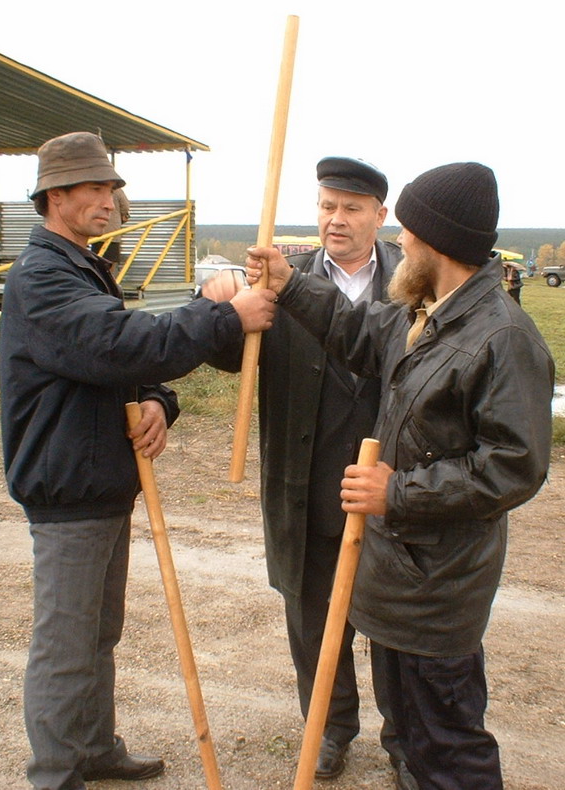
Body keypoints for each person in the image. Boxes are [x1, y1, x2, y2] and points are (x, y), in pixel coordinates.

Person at [244, 161, 554, 789]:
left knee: (446, 744)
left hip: (438, 585)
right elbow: (357, 332)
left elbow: (514, 467)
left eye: (408, 228)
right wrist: (290, 283)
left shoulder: (502, 337)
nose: (401, 240)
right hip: (400, 575)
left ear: (435, 241)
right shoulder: (425, 315)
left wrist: (397, 491)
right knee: (412, 734)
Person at [0, 131, 276, 790]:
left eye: (112, 188)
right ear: (56, 197)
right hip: (67, 487)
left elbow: (108, 361)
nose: (109, 199)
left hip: (97, 480)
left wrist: (153, 399)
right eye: (94, 189)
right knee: (66, 647)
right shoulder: (43, 276)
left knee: (97, 634)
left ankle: (92, 749)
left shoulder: (82, 265)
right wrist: (225, 318)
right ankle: (56, 775)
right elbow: (116, 342)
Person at [206, 157, 412, 785]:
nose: (336, 220)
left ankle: (407, 738)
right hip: (305, 483)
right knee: (311, 619)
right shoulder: (272, 283)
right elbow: (228, 356)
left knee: (395, 623)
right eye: (326, 206)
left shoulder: (415, 288)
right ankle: (328, 727)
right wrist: (219, 304)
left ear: (381, 216)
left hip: (390, 491)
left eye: (352, 208)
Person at [90, 186, 130, 271]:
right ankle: (110, 282)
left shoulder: (93, 188)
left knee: (96, 260)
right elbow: (125, 206)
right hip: (112, 234)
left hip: (96, 233)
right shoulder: (117, 190)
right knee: (111, 262)